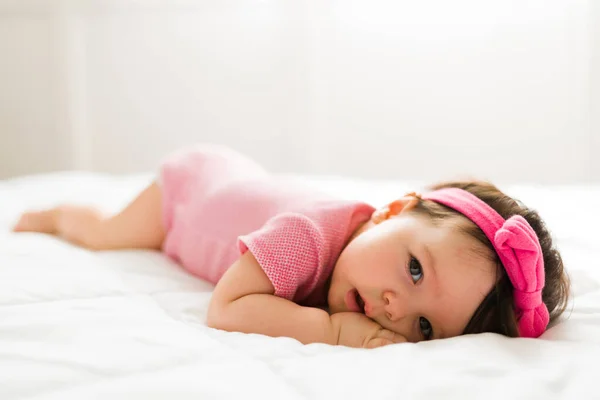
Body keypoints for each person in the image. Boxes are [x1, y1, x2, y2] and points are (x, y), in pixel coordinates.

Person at [12, 145, 570, 348]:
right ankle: (62, 215)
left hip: (238, 184)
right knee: (107, 234)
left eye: (424, 327)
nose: (397, 309)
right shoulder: (307, 236)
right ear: (394, 210)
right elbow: (226, 309)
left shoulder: (364, 268)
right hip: (184, 195)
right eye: (415, 270)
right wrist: (327, 331)